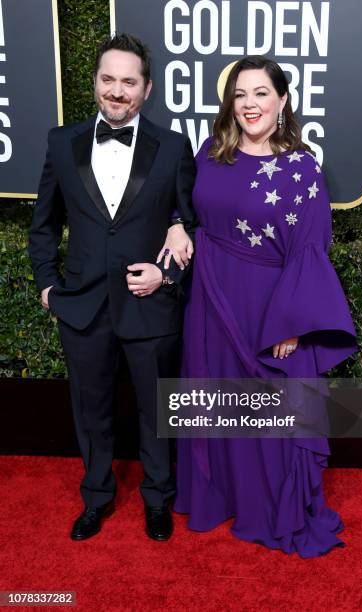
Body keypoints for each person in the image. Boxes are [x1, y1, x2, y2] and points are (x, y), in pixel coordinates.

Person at [173, 56, 357, 558]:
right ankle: (220, 495)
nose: (249, 104)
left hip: (267, 306)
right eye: (240, 94)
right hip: (209, 298)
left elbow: (310, 248)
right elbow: (185, 206)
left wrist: (294, 324)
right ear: (229, 103)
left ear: (282, 100)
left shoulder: (300, 167)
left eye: (260, 93)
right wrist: (175, 224)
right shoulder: (212, 152)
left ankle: (268, 505)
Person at [28, 33, 196, 542]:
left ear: (147, 89)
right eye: (108, 80)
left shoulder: (173, 147)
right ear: (96, 83)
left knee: (156, 412)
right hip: (82, 306)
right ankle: (96, 498)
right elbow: (42, 225)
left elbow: (193, 227)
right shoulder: (62, 142)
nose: (117, 91)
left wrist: (167, 273)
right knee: (91, 411)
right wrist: (47, 286)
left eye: (128, 81)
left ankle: (157, 499)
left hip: (150, 306)